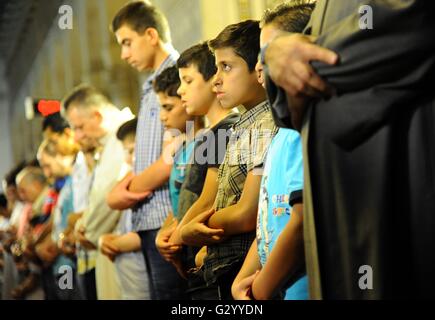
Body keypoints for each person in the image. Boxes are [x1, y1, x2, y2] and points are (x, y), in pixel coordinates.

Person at [264, 0, 435, 299]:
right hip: (340, 198)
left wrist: (289, 62)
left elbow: (409, 27)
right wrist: (274, 57)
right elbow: (284, 107)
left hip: (397, 175)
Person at [180, 20, 278, 300]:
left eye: (227, 67)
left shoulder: (265, 125)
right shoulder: (242, 127)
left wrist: (191, 230)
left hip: (243, 268)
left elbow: (247, 213)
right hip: (227, 265)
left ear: (257, 68)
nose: (217, 80)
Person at [232, 1, 315, 301]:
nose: (257, 66)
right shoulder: (280, 131)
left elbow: (301, 220)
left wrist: (262, 288)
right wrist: (242, 279)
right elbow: (267, 219)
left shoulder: (299, 129)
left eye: (268, 54)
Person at [156, 42, 240, 299]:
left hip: (210, 261)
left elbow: (210, 200)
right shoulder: (206, 136)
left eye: (188, 81)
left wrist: (179, 234)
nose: (181, 90)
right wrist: (169, 231)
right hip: (194, 258)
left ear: (214, 80)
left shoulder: (226, 130)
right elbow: (186, 194)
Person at [111, 1, 182, 300]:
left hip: (167, 217)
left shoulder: (177, 75)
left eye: (127, 42)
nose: (124, 54)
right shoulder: (151, 82)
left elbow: (173, 156)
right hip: (151, 219)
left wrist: (123, 192)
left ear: (150, 35)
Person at [62, 84, 133, 300]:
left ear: (97, 116)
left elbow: (109, 196)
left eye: (79, 127)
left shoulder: (122, 137)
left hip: (124, 246)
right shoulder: (105, 145)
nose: (76, 137)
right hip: (108, 245)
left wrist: (86, 228)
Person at [99, 118, 152, 300]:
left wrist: (114, 243)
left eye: (132, 150)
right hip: (130, 284)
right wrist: (108, 239)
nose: (128, 158)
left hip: (145, 282)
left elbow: (149, 233)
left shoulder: (153, 182)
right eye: (126, 151)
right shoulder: (131, 179)